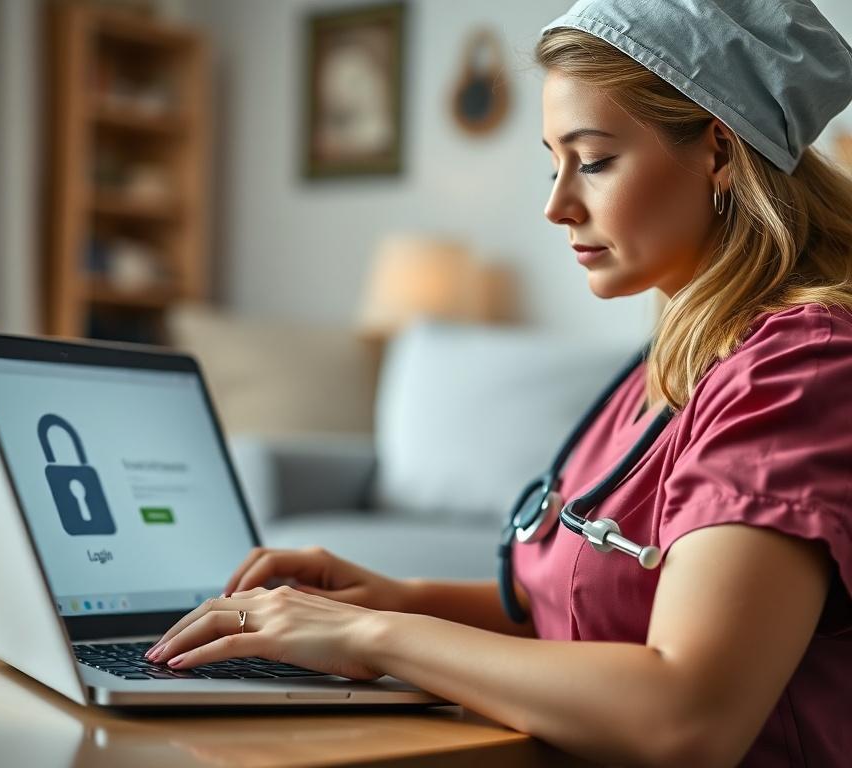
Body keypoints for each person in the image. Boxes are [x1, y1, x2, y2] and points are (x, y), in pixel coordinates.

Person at [147, 1, 852, 764]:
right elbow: (575, 616)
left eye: (595, 159)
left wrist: (372, 635)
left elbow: (685, 718)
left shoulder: (797, 372)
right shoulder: (670, 361)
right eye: (555, 163)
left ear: (719, 149)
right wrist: (396, 597)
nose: (557, 205)